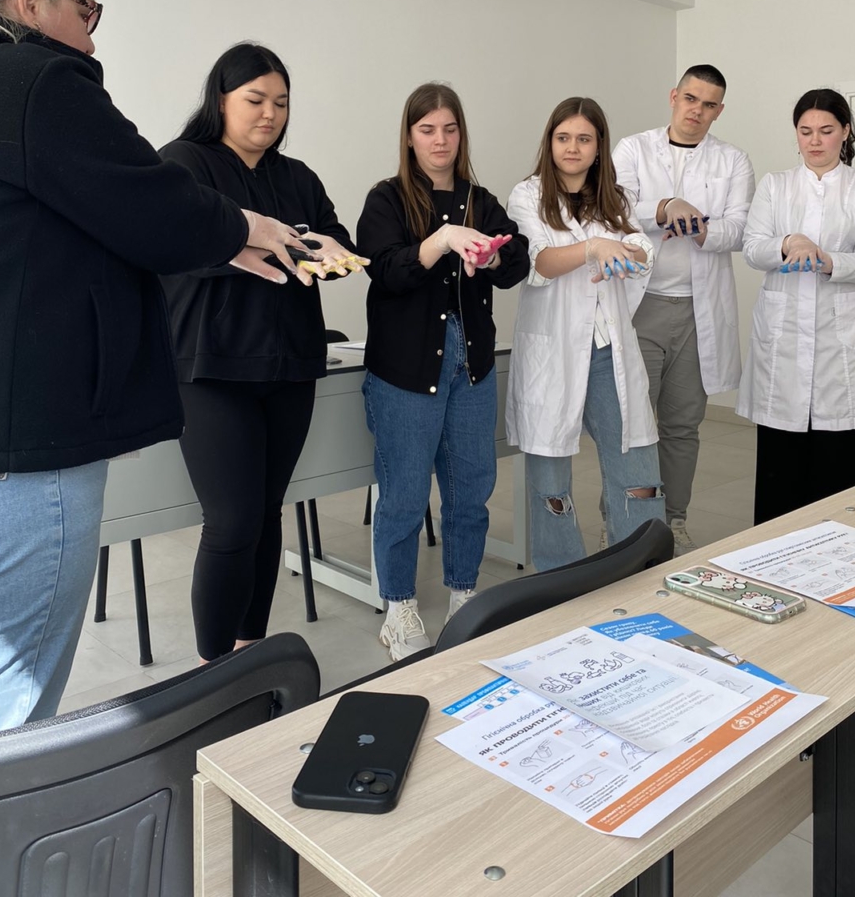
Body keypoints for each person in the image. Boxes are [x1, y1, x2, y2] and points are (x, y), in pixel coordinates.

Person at [0, 0, 310, 732]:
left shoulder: (296, 175)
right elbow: (149, 205)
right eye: (85, 9)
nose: (92, 38)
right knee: (13, 691)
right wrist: (240, 230)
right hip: (26, 438)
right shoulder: (34, 82)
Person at [160, 43, 365, 662]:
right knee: (231, 523)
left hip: (291, 367)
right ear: (220, 100)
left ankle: (249, 652)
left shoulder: (297, 176)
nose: (269, 113)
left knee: (267, 513)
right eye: (255, 99)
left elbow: (337, 243)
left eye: (280, 102)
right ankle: (211, 671)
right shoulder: (183, 164)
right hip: (211, 369)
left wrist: (327, 250)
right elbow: (169, 248)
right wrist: (251, 247)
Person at [356, 83, 529, 660]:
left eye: (449, 129)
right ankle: (399, 605)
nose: (440, 140)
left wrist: (494, 253)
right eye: (427, 129)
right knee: (404, 494)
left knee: (470, 489)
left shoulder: (480, 200)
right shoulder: (386, 199)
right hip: (406, 369)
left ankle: (463, 595)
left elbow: (517, 258)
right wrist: (442, 241)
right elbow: (386, 270)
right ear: (409, 136)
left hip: (471, 365)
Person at [506, 97, 663, 572]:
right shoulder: (527, 196)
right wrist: (595, 246)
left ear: (599, 148)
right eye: (563, 137)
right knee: (551, 483)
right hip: (553, 352)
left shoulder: (616, 199)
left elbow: (641, 249)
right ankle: (561, 579)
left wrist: (625, 251)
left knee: (638, 472)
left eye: (583, 139)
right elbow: (540, 261)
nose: (572, 148)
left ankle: (639, 568)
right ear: (550, 142)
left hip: (609, 350)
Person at [613, 65, 754, 554]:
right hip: (641, 305)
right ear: (674, 96)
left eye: (709, 104)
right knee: (632, 424)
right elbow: (614, 210)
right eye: (691, 98)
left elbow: (740, 229)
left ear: (719, 111)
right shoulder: (633, 149)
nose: (697, 110)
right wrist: (665, 207)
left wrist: (700, 228)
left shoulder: (733, 160)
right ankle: (625, 521)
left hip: (698, 312)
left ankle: (674, 520)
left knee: (682, 425)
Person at [737, 88, 855, 524]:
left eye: (826, 130)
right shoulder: (776, 185)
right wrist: (789, 242)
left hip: (838, 353)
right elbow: (752, 248)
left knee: (836, 480)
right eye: (805, 131)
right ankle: (771, 553)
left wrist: (826, 260)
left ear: (845, 131)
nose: (815, 140)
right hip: (782, 348)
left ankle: (834, 555)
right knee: (779, 479)